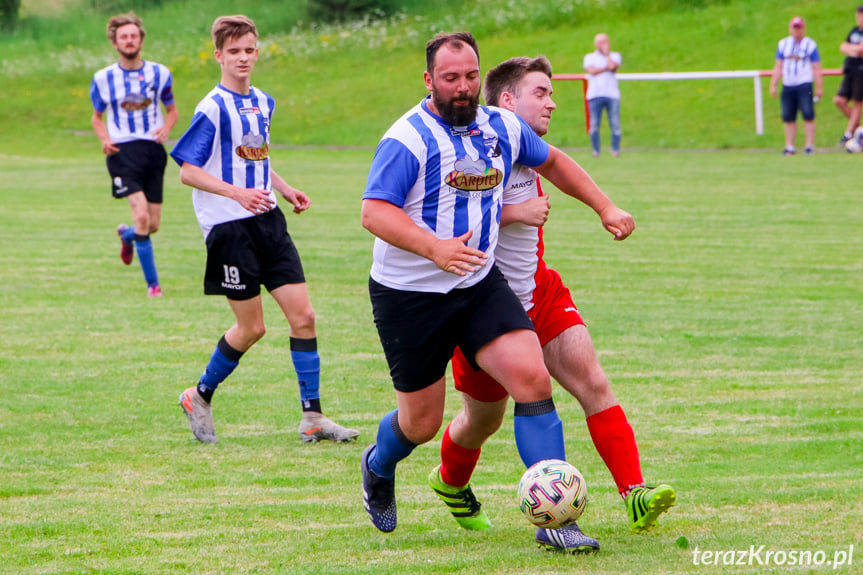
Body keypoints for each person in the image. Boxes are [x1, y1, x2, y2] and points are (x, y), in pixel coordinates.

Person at [359, 32, 635, 552]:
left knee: (531, 379)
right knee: (421, 423)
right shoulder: (408, 138)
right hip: (410, 295)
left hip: (479, 283)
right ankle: (378, 464)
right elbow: (374, 212)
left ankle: (556, 520)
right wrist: (435, 248)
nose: (462, 89)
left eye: (469, 77)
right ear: (428, 81)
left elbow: (553, 162)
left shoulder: (501, 126)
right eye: (450, 79)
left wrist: (605, 206)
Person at [428, 56, 676, 553]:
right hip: (482, 309)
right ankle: (449, 481)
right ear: (506, 100)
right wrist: (515, 211)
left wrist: (606, 207)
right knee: (482, 420)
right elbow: (442, 215)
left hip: (540, 294)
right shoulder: (467, 147)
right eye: (540, 92)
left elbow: (561, 167)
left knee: (593, 381)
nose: (551, 101)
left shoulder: (526, 145)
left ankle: (632, 493)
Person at [169, 14, 359, 445]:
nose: (242, 58)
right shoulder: (211, 108)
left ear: (258, 52)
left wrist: (285, 188)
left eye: (249, 50)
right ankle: (198, 395)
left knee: (304, 317)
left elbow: (257, 157)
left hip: (268, 220)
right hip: (229, 228)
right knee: (252, 328)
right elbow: (189, 172)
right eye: (233, 51)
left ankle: (312, 417)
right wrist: (237, 194)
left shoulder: (262, 102)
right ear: (218, 55)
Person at [90, 12, 177, 297]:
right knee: (141, 216)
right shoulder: (103, 79)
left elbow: (172, 111)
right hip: (122, 152)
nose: (129, 40)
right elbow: (97, 117)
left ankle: (127, 236)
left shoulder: (160, 73)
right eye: (123, 36)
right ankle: (153, 286)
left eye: (133, 35)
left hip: (153, 151)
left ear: (141, 39)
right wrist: (104, 139)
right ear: (115, 43)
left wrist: (166, 128)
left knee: (152, 225)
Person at [769, 17, 823, 156]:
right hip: (788, 83)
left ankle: (809, 145)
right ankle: (789, 146)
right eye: (794, 27)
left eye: (799, 28)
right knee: (788, 116)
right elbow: (778, 65)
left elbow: (816, 66)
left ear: (803, 29)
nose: (797, 31)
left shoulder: (810, 44)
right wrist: (773, 83)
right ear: (790, 28)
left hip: (804, 82)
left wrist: (819, 86)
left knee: (808, 114)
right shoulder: (783, 44)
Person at [583, 33, 622, 158]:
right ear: (596, 44)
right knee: (594, 125)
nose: (603, 44)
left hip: (612, 95)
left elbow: (613, 67)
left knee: (615, 124)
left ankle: (615, 150)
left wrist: (606, 55)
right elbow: (591, 71)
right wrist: (606, 68)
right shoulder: (589, 57)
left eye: (605, 41)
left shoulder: (614, 56)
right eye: (600, 42)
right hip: (595, 95)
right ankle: (596, 151)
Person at [835, 5, 863, 145]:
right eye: (858, 15)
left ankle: (848, 133)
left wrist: (852, 49)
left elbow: (861, 50)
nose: (860, 18)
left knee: (858, 102)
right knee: (839, 100)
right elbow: (843, 46)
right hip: (850, 69)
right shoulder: (854, 31)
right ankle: (860, 130)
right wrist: (853, 49)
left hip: (861, 70)